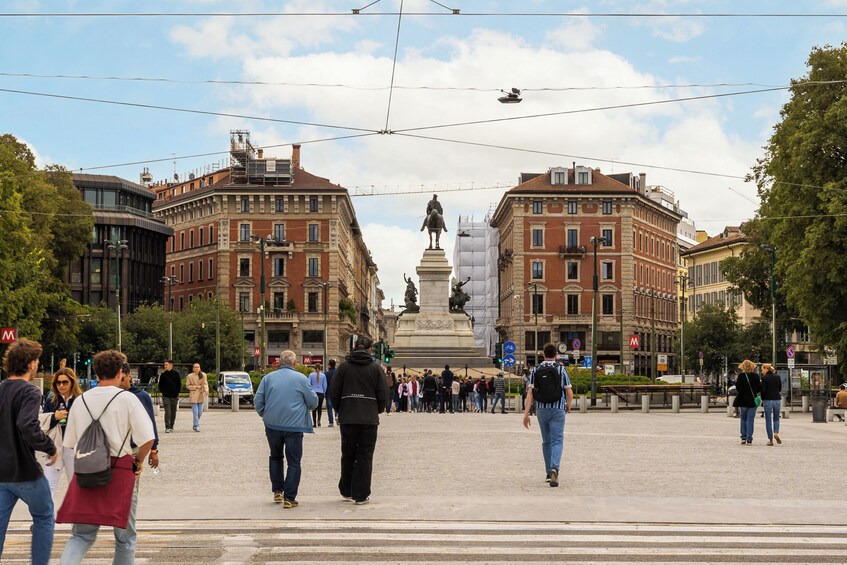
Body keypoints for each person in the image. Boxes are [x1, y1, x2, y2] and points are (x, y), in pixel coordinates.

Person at [59, 349, 155, 564]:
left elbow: (70, 443)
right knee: (125, 538)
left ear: (96, 373)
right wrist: (138, 460)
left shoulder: (80, 400)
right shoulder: (127, 399)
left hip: (87, 471)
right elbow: (147, 438)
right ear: (121, 372)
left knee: (81, 536)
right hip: (119, 471)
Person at [0, 338, 58, 565]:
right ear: (31, 364)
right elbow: (27, 425)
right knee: (44, 517)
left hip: (1, 473)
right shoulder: (30, 392)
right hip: (24, 471)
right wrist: (49, 447)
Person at [326, 336, 390, 505]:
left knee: (347, 454)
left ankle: (346, 490)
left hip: (348, 417)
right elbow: (383, 393)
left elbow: (334, 391)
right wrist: (377, 409)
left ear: (354, 347)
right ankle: (361, 495)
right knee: (365, 456)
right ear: (369, 350)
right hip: (368, 418)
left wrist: (341, 408)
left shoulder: (343, 367)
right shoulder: (376, 368)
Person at [255, 350, 318, 508]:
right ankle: (289, 498)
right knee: (294, 462)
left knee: (275, 456)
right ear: (294, 363)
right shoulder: (301, 379)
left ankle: (277, 490)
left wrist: (265, 414)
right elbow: (313, 402)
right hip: (294, 426)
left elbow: (258, 400)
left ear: (279, 362)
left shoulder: (268, 378)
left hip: (272, 425)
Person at [522, 343, 573, 488]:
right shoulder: (561, 369)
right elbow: (569, 392)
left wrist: (526, 414)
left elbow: (530, 393)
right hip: (558, 409)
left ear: (543, 355)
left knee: (546, 441)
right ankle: (554, 469)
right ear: (556, 355)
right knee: (557, 441)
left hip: (541, 409)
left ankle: (547, 472)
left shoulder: (535, 370)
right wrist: (568, 406)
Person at [42, 366, 83, 494]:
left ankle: (77, 513)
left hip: (74, 446)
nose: (61, 385)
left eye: (65, 382)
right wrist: (55, 417)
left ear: (72, 382)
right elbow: (44, 422)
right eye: (58, 382)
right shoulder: (51, 400)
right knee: (48, 485)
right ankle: (47, 514)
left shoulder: (81, 400)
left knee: (76, 485)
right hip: (55, 445)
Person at [121, 363, 159, 471]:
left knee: (133, 486)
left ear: (129, 377)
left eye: (123, 378)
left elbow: (151, 424)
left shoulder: (141, 396)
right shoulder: (113, 396)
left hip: (134, 448)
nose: (120, 382)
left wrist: (153, 450)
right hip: (115, 450)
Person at [733, 360, 761, 445]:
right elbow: (759, 388)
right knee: (750, 420)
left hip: (742, 400)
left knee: (743, 418)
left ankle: (743, 437)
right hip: (752, 401)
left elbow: (738, 388)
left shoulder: (741, 376)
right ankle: (749, 438)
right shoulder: (756, 376)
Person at [760, 363, 782, 446]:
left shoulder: (764, 378)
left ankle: (770, 440)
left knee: (768, 420)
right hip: (777, 399)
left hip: (768, 400)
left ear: (766, 369)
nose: (762, 371)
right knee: (776, 418)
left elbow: (763, 390)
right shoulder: (778, 377)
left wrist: (763, 398)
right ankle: (776, 433)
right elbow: (780, 388)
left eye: (762, 369)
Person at [158, 360, 181, 433]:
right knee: (167, 411)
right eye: (164, 365)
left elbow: (179, 384)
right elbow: (160, 385)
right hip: (166, 396)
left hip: (174, 396)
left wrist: (176, 392)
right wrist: (163, 392)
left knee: (173, 411)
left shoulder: (176, 374)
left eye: (166, 365)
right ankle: (167, 426)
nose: (165, 366)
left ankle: (171, 426)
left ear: (171, 365)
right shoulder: (163, 374)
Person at [185, 363, 209, 432]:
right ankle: (196, 425)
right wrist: (195, 387)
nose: (197, 368)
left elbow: (205, 384)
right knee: (195, 412)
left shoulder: (203, 375)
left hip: (201, 395)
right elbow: (187, 386)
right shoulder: (190, 376)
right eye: (195, 367)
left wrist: (206, 391)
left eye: (198, 367)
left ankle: (195, 423)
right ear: (193, 368)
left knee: (200, 412)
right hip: (194, 395)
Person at [325, 359, 337, 427]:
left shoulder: (326, 374)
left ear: (329, 365)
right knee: (337, 405)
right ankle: (337, 416)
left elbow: (325, 384)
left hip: (328, 391)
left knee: (329, 407)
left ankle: (331, 421)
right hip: (336, 391)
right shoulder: (337, 373)